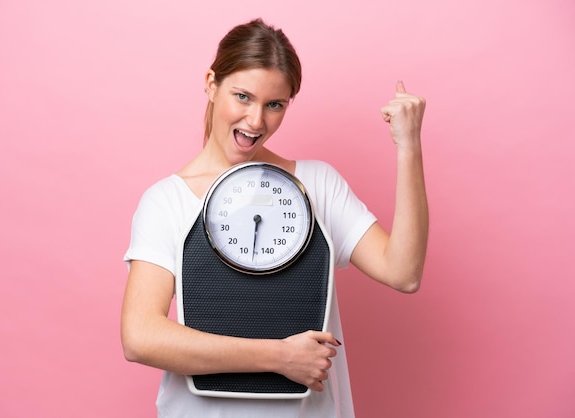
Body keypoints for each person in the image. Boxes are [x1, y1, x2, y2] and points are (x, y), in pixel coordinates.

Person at [121, 18, 428, 418]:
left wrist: (409, 147)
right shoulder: (168, 201)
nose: (255, 122)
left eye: (274, 105)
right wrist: (279, 357)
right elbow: (140, 337)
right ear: (212, 84)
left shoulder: (316, 184)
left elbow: (403, 272)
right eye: (243, 96)